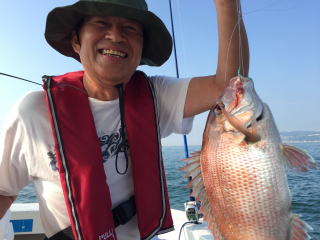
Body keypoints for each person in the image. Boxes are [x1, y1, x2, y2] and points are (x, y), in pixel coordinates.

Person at [0, 0, 249, 239]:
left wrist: (227, 4)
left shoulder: (157, 96)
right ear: (76, 40)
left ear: (141, 49)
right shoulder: (33, 110)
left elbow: (228, 86)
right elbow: (4, 190)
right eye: (100, 23)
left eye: (130, 28)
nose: (116, 36)